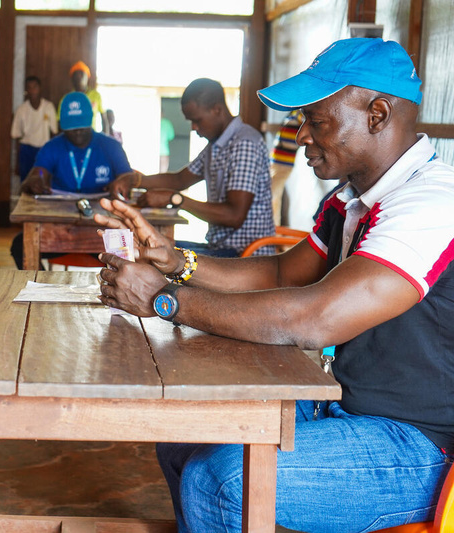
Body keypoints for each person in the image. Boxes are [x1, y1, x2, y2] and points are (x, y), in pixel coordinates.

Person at [93, 38, 454, 532]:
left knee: (220, 481)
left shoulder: (432, 206)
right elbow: (283, 273)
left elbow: (314, 318)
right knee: (181, 435)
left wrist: (164, 299)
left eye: (316, 119)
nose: (300, 134)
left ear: (377, 114)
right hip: (345, 403)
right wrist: (178, 261)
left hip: (419, 445)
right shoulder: (353, 201)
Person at [108, 78, 275, 257]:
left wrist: (176, 199)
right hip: (220, 249)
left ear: (217, 109)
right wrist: (135, 180)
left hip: (245, 256)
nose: (194, 128)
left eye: (197, 120)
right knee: (148, 245)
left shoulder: (244, 143)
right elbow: (179, 180)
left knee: (153, 254)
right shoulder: (216, 146)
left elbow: (234, 216)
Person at [11, 91, 135, 269]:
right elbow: (35, 176)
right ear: (62, 126)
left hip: (103, 231)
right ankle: (42, 290)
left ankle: (119, 293)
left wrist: (125, 181)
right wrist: (35, 181)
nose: (77, 132)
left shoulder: (110, 146)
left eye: (82, 127)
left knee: (131, 246)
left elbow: (130, 177)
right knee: (20, 244)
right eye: (72, 128)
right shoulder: (52, 146)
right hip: (61, 230)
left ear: (90, 121)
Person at [11, 75, 58, 182]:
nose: (32, 90)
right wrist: (17, 163)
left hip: (43, 150)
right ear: (26, 90)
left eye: (35, 87)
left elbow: (54, 133)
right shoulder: (21, 110)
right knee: (26, 181)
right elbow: (16, 136)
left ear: (40, 88)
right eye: (29, 87)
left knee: (41, 179)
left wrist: (53, 157)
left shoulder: (48, 107)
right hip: (26, 151)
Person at [269, 109, 304, 225]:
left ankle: (274, 228)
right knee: (273, 195)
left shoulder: (301, 114)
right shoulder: (294, 113)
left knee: (273, 196)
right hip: (278, 161)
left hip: (285, 163)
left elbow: (304, 120)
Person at [58, 61, 107, 134]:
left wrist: (104, 139)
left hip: (91, 137)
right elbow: (59, 121)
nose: (79, 77)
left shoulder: (96, 96)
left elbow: (104, 119)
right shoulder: (66, 99)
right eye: (76, 75)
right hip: (72, 138)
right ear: (72, 79)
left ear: (87, 77)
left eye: (82, 74)